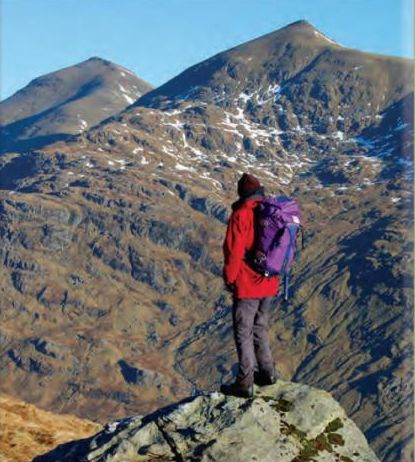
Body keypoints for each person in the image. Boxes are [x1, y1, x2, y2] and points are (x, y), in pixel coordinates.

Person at [220, 173, 279, 398]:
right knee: (260, 327)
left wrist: (230, 278)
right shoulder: (268, 212)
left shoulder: (241, 215)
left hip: (248, 283)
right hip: (269, 281)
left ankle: (245, 382)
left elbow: (234, 251)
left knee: (243, 331)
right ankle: (268, 373)